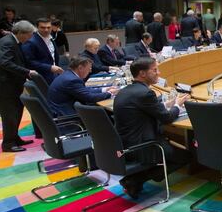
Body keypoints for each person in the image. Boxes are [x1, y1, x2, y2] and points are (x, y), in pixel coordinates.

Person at [113, 57, 190, 199]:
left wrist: (167, 105)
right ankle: (135, 180)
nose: (159, 73)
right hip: (143, 146)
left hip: (125, 144)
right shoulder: (145, 93)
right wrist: (178, 106)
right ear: (142, 74)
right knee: (188, 156)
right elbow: (166, 118)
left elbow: (146, 109)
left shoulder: (125, 91)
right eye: (154, 70)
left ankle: (134, 179)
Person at [0, 20, 37, 152]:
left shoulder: (11, 41)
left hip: (10, 84)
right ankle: (8, 144)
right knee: (10, 115)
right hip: (4, 86)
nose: (30, 38)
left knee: (17, 111)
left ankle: (14, 138)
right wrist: (27, 72)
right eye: (29, 35)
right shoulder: (7, 42)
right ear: (21, 33)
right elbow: (5, 63)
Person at [48, 56, 117, 117]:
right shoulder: (72, 80)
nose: (90, 71)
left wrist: (105, 89)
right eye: (89, 68)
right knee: (106, 113)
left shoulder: (69, 74)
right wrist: (110, 93)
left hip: (63, 109)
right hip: (67, 116)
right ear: (80, 68)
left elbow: (84, 90)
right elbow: (89, 98)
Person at [21, 18, 63, 85]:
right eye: (43, 27)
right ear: (37, 27)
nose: (46, 30)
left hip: (55, 75)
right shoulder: (30, 42)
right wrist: (50, 67)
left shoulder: (51, 38)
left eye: (48, 27)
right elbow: (29, 62)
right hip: (42, 77)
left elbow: (53, 57)